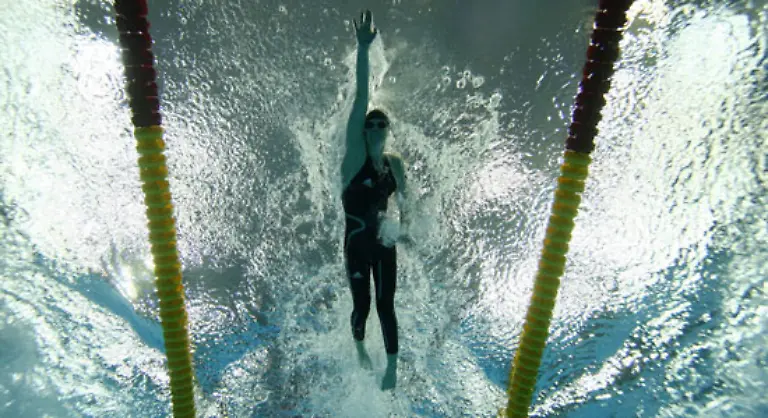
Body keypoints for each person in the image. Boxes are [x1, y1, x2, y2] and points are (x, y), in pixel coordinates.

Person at [341, 10, 408, 391]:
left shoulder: (396, 165)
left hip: (382, 243)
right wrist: (363, 49)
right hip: (355, 245)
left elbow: (409, 205)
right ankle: (361, 350)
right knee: (362, 308)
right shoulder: (353, 159)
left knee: (386, 305)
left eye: (382, 124)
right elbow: (362, 98)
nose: (376, 128)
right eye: (371, 124)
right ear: (363, 131)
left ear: (389, 130)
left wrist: (408, 230)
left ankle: (393, 367)